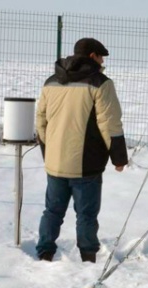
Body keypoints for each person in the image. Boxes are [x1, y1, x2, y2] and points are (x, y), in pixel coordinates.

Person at [35, 37, 129, 263]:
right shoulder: (101, 83)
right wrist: (119, 158)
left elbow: (41, 121)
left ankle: (44, 254)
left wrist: (49, 152)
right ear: (92, 56)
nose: (103, 61)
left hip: (55, 163)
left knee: (52, 211)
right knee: (86, 215)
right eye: (101, 56)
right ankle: (88, 260)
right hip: (86, 165)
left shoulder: (51, 81)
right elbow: (110, 124)